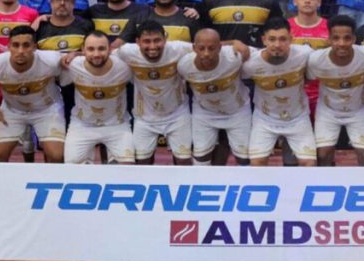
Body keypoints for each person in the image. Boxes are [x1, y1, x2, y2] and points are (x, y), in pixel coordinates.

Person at [0, 26, 65, 163]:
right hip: (12, 111)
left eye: (26, 45)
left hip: (47, 110)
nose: (20, 51)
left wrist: (76, 54)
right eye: (15, 45)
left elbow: (79, 64)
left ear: (35, 47)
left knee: (57, 156)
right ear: (8, 46)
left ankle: (48, 182)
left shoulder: (52, 60)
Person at [114, 20, 193, 165]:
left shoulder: (179, 49)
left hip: (177, 114)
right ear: (137, 42)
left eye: (157, 40)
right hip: (144, 117)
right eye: (147, 41)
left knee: (184, 161)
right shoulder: (126, 51)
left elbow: (207, 46)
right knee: (142, 162)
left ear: (165, 38)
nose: (152, 46)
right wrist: (77, 54)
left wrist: (235, 44)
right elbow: (102, 54)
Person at [243, 17, 316, 166]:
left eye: (283, 39)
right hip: (265, 119)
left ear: (291, 39)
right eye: (272, 39)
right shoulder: (250, 63)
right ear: (264, 40)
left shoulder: (305, 54)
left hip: (298, 117)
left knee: (309, 164)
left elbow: (310, 75)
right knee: (257, 163)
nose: (277, 45)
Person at [307, 16, 364, 167]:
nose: (341, 43)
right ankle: (328, 184)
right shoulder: (315, 60)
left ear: (354, 39)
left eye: (347, 38)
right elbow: (304, 80)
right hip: (328, 111)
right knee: (323, 154)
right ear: (329, 39)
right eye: (336, 38)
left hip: (358, 109)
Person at [178, 29, 252, 166]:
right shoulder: (183, 65)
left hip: (237, 111)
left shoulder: (234, 55)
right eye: (201, 48)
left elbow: (266, 54)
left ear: (220, 48)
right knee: (201, 157)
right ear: (194, 48)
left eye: (212, 49)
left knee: (244, 158)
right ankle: (202, 184)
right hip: (204, 112)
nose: (206, 53)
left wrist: (236, 43)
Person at [62, 32, 134, 164]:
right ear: (83, 50)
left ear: (110, 49)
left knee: (127, 170)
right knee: (71, 170)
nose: (96, 54)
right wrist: (74, 54)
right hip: (82, 125)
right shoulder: (71, 65)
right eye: (90, 49)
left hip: (117, 125)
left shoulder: (125, 67)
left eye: (101, 48)